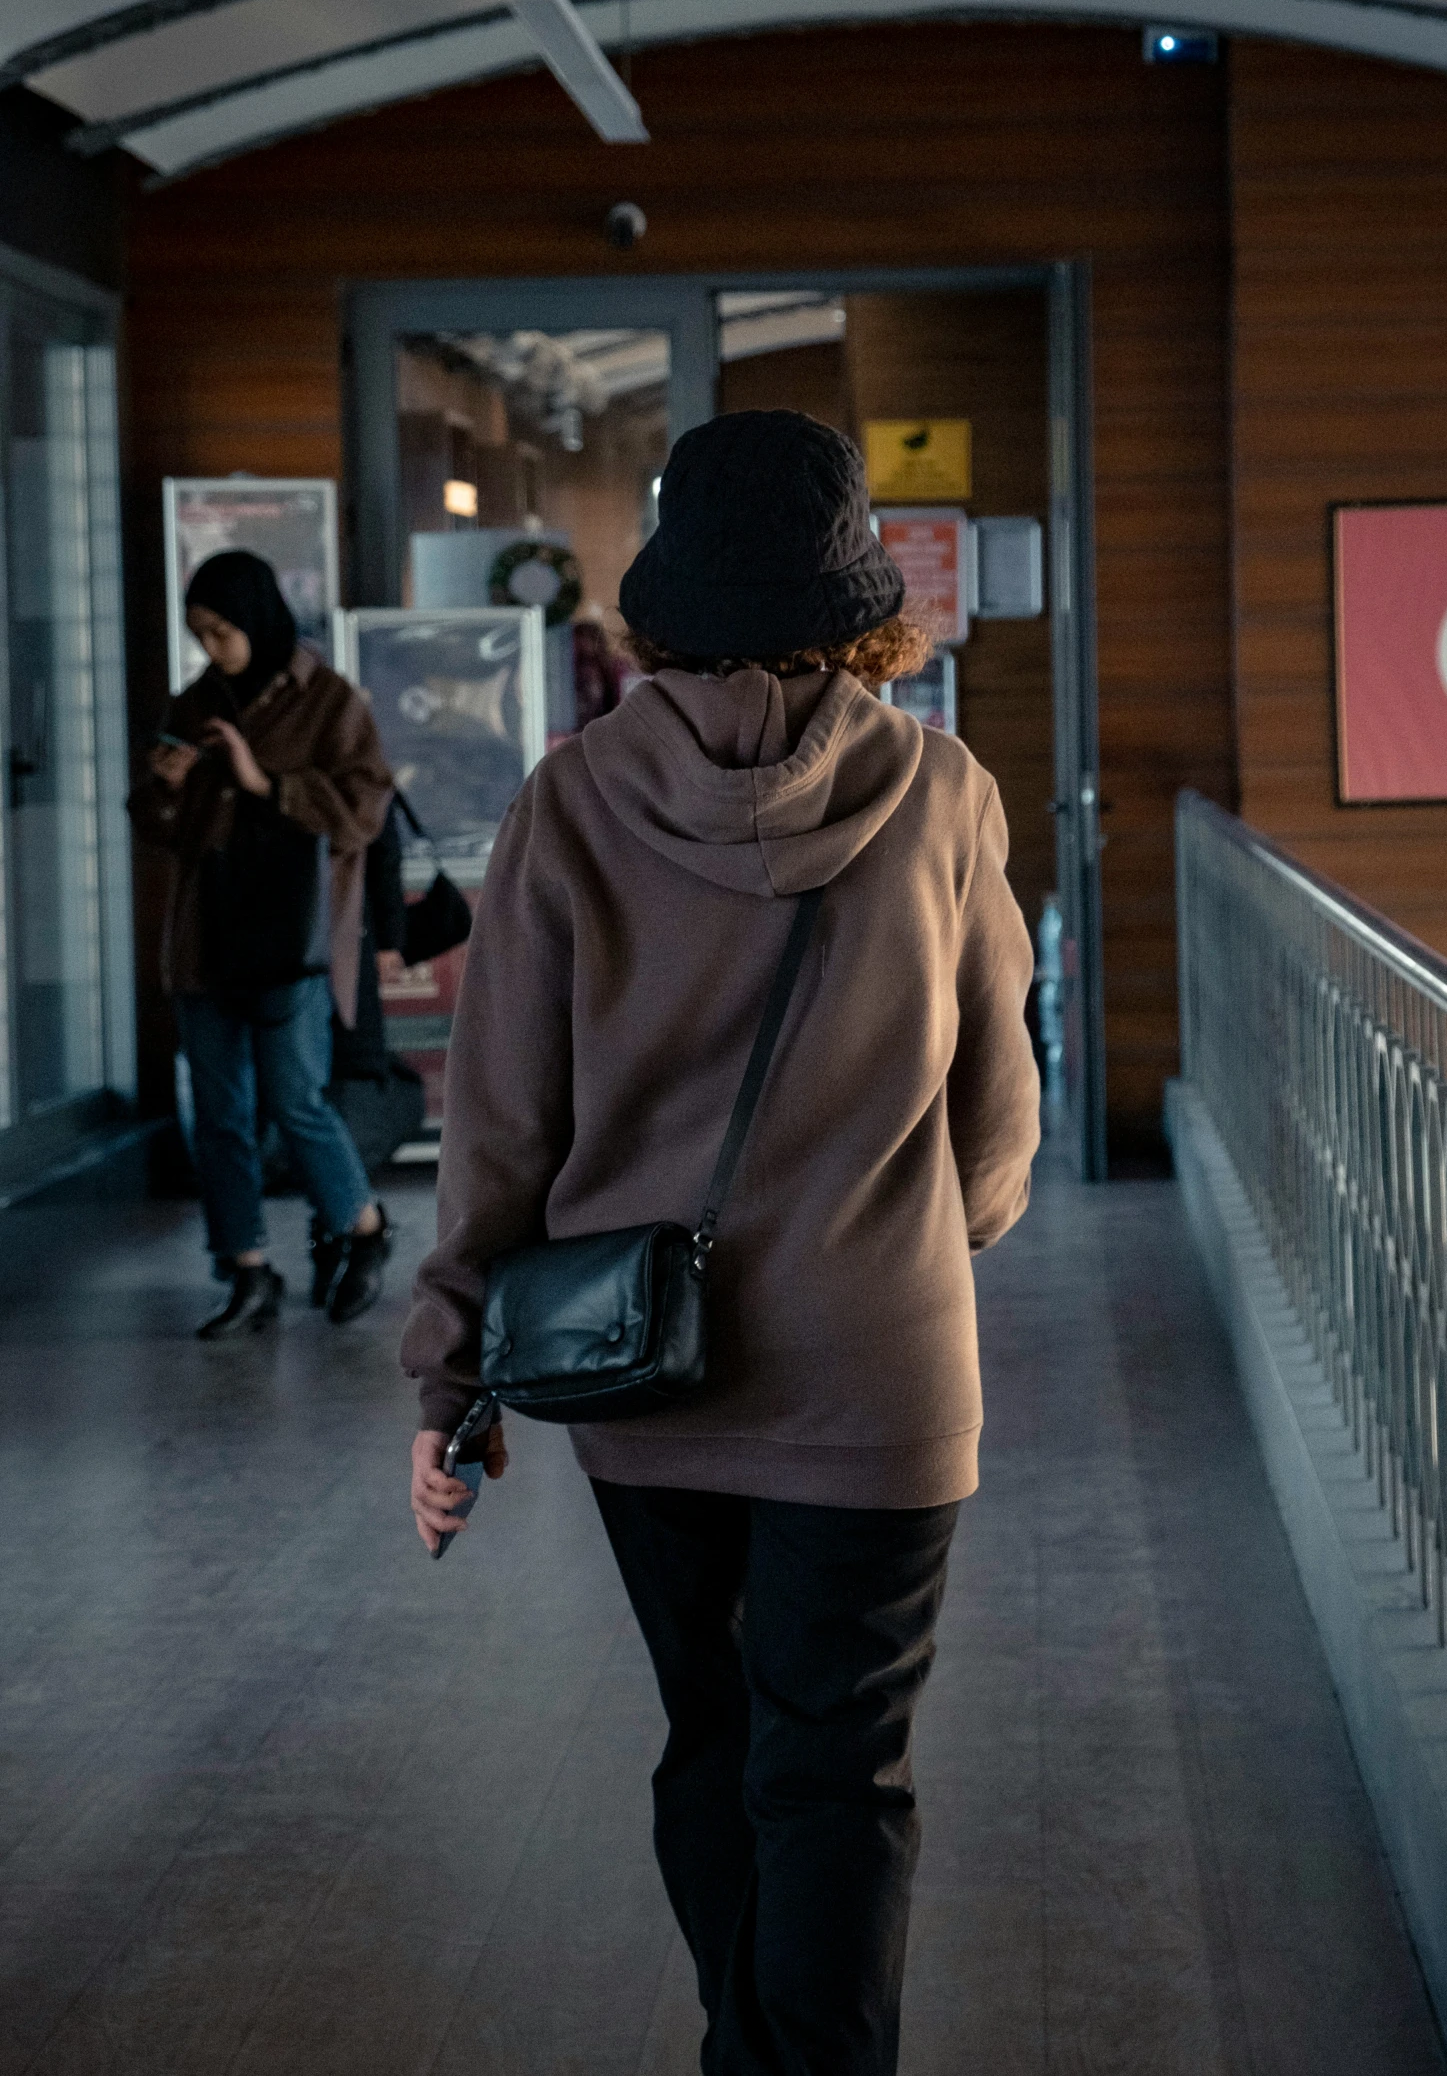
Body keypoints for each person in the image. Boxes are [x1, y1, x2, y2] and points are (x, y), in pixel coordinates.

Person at [402, 410, 1040, 2075]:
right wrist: (898, 1240)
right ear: (858, 597)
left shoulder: (571, 801)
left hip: (641, 1370)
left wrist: (449, 1376)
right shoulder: (942, 794)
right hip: (884, 1384)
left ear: (667, 594)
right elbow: (994, 1127)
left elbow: (501, 1129)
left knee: (713, 1737)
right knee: (838, 1768)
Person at [128, 550, 396, 1339]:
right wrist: (167, 790)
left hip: (292, 936)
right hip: (208, 937)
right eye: (200, 633)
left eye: (222, 630)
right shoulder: (193, 701)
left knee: (295, 1099)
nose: (213, 647)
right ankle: (246, 1268)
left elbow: (363, 810)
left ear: (258, 617)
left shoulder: (327, 701)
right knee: (219, 1114)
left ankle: (362, 1226)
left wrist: (262, 781)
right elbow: (156, 830)